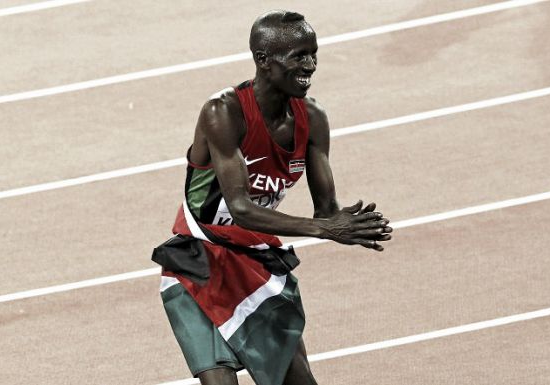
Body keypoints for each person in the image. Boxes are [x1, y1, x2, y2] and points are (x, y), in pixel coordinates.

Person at [157, 10, 392, 385]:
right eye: (299, 56)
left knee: (298, 380)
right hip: (197, 260)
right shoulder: (224, 113)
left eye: (313, 53)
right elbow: (241, 208)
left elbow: (326, 209)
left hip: (255, 261)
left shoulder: (312, 118)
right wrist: (325, 229)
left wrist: (347, 222)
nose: (311, 65)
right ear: (263, 60)